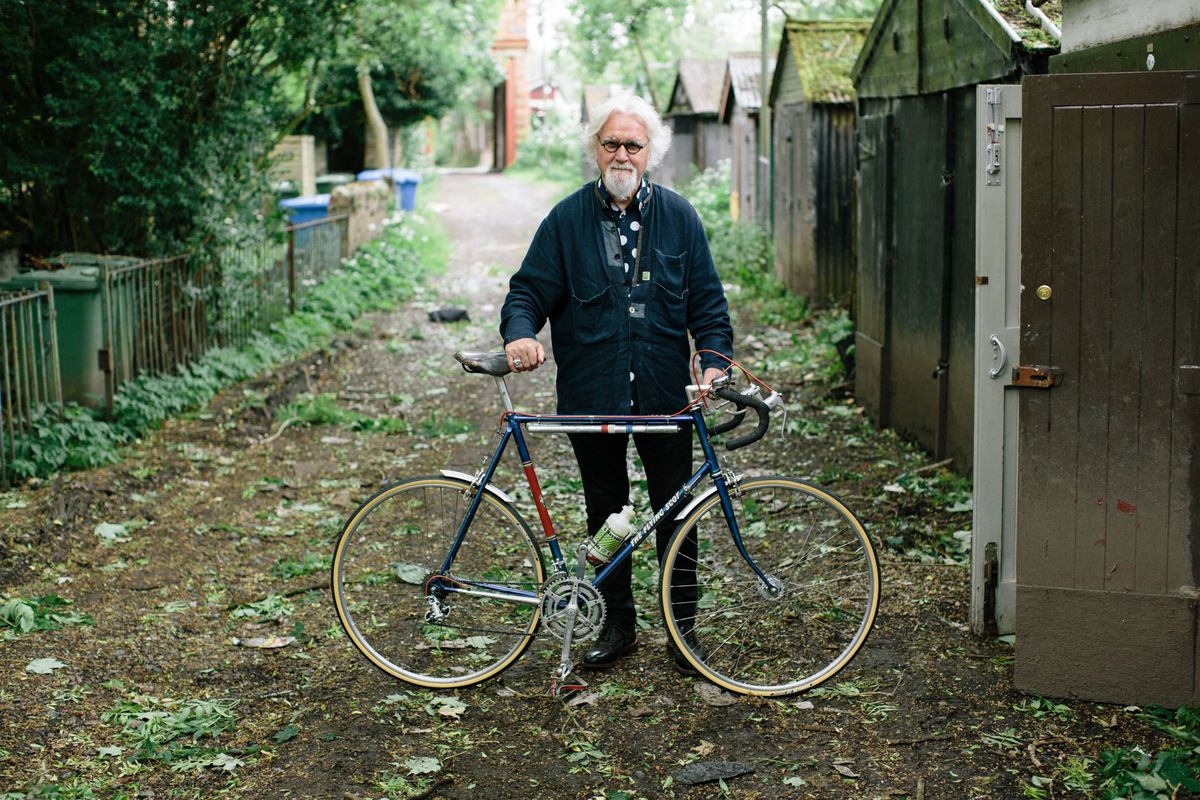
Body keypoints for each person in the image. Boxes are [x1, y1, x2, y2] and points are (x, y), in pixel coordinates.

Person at [500, 93, 733, 673]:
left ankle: (684, 632)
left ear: (650, 151)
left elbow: (708, 309)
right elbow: (527, 292)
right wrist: (521, 334)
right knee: (608, 512)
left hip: (664, 397)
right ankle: (618, 626)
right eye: (612, 143)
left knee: (676, 512)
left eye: (633, 143)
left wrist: (712, 364)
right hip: (591, 395)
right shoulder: (565, 220)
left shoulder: (679, 217)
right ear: (595, 151)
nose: (622, 154)